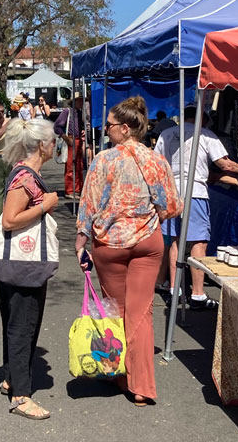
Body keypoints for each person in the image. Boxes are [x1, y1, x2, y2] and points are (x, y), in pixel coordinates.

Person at [76, 96, 182, 406]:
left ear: (124, 128)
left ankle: (121, 375)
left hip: (109, 244)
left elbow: (89, 205)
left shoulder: (104, 160)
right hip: (148, 243)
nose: (105, 130)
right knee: (142, 313)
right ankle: (144, 387)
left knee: (117, 312)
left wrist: (80, 242)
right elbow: (172, 207)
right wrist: (149, 217)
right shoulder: (157, 161)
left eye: (108, 126)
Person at [0, 118, 59, 420]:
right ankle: (21, 395)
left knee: (16, 321)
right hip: (25, 262)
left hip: (21, 261)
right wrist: (46, 205)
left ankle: (11, 377)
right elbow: (9, 220)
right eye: (54, 140)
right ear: (42, 146)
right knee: (24, 324)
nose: (57, 145)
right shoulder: (25, 178)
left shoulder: (26, 174)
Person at [154, 105, 238, 309]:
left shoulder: (166, 134)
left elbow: (156, 163)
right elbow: (226, 165)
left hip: (172, 192)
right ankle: (197, 294)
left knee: (176, 241)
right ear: (202, 120)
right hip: (194, 192)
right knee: (198, 243)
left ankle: (174, 289)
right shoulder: (205, 134)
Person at [54, 94, 91, 199]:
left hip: (78, 140)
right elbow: (57, 127)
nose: (81, 103)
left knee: (79, 166)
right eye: (79, 101)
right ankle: (69, 190)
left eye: (81, 101)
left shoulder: (80, 113)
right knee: (70, 166)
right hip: (71, 140)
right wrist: (66, 138)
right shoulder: (67, 112)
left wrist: (82, 131)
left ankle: (78, 189)